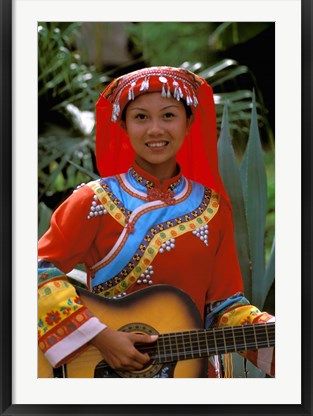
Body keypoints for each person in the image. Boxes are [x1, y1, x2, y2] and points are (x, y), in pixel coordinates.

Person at [38, 66, 275, 378]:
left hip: (191, 375)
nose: (155, 130)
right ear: (122, 124)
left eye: (168, 115)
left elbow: (223, 308)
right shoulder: (93, 201)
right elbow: (35, 271)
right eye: (140, 117)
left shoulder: (212, 208)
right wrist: (101, 337)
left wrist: (270, 330)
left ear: (189, 121)